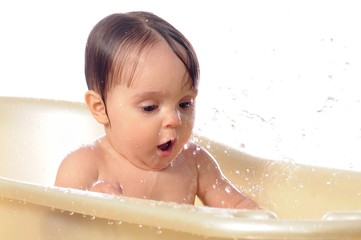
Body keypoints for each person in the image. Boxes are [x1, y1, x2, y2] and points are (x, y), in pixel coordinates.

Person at [55, 11, 259, 209]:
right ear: (100, 109)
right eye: (150, 107)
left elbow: (239, 208)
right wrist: (90, 212)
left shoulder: (194, 163)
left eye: (185, 104)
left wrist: (264, 221)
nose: (175, 119)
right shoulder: (85, 167)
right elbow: (52, 228)